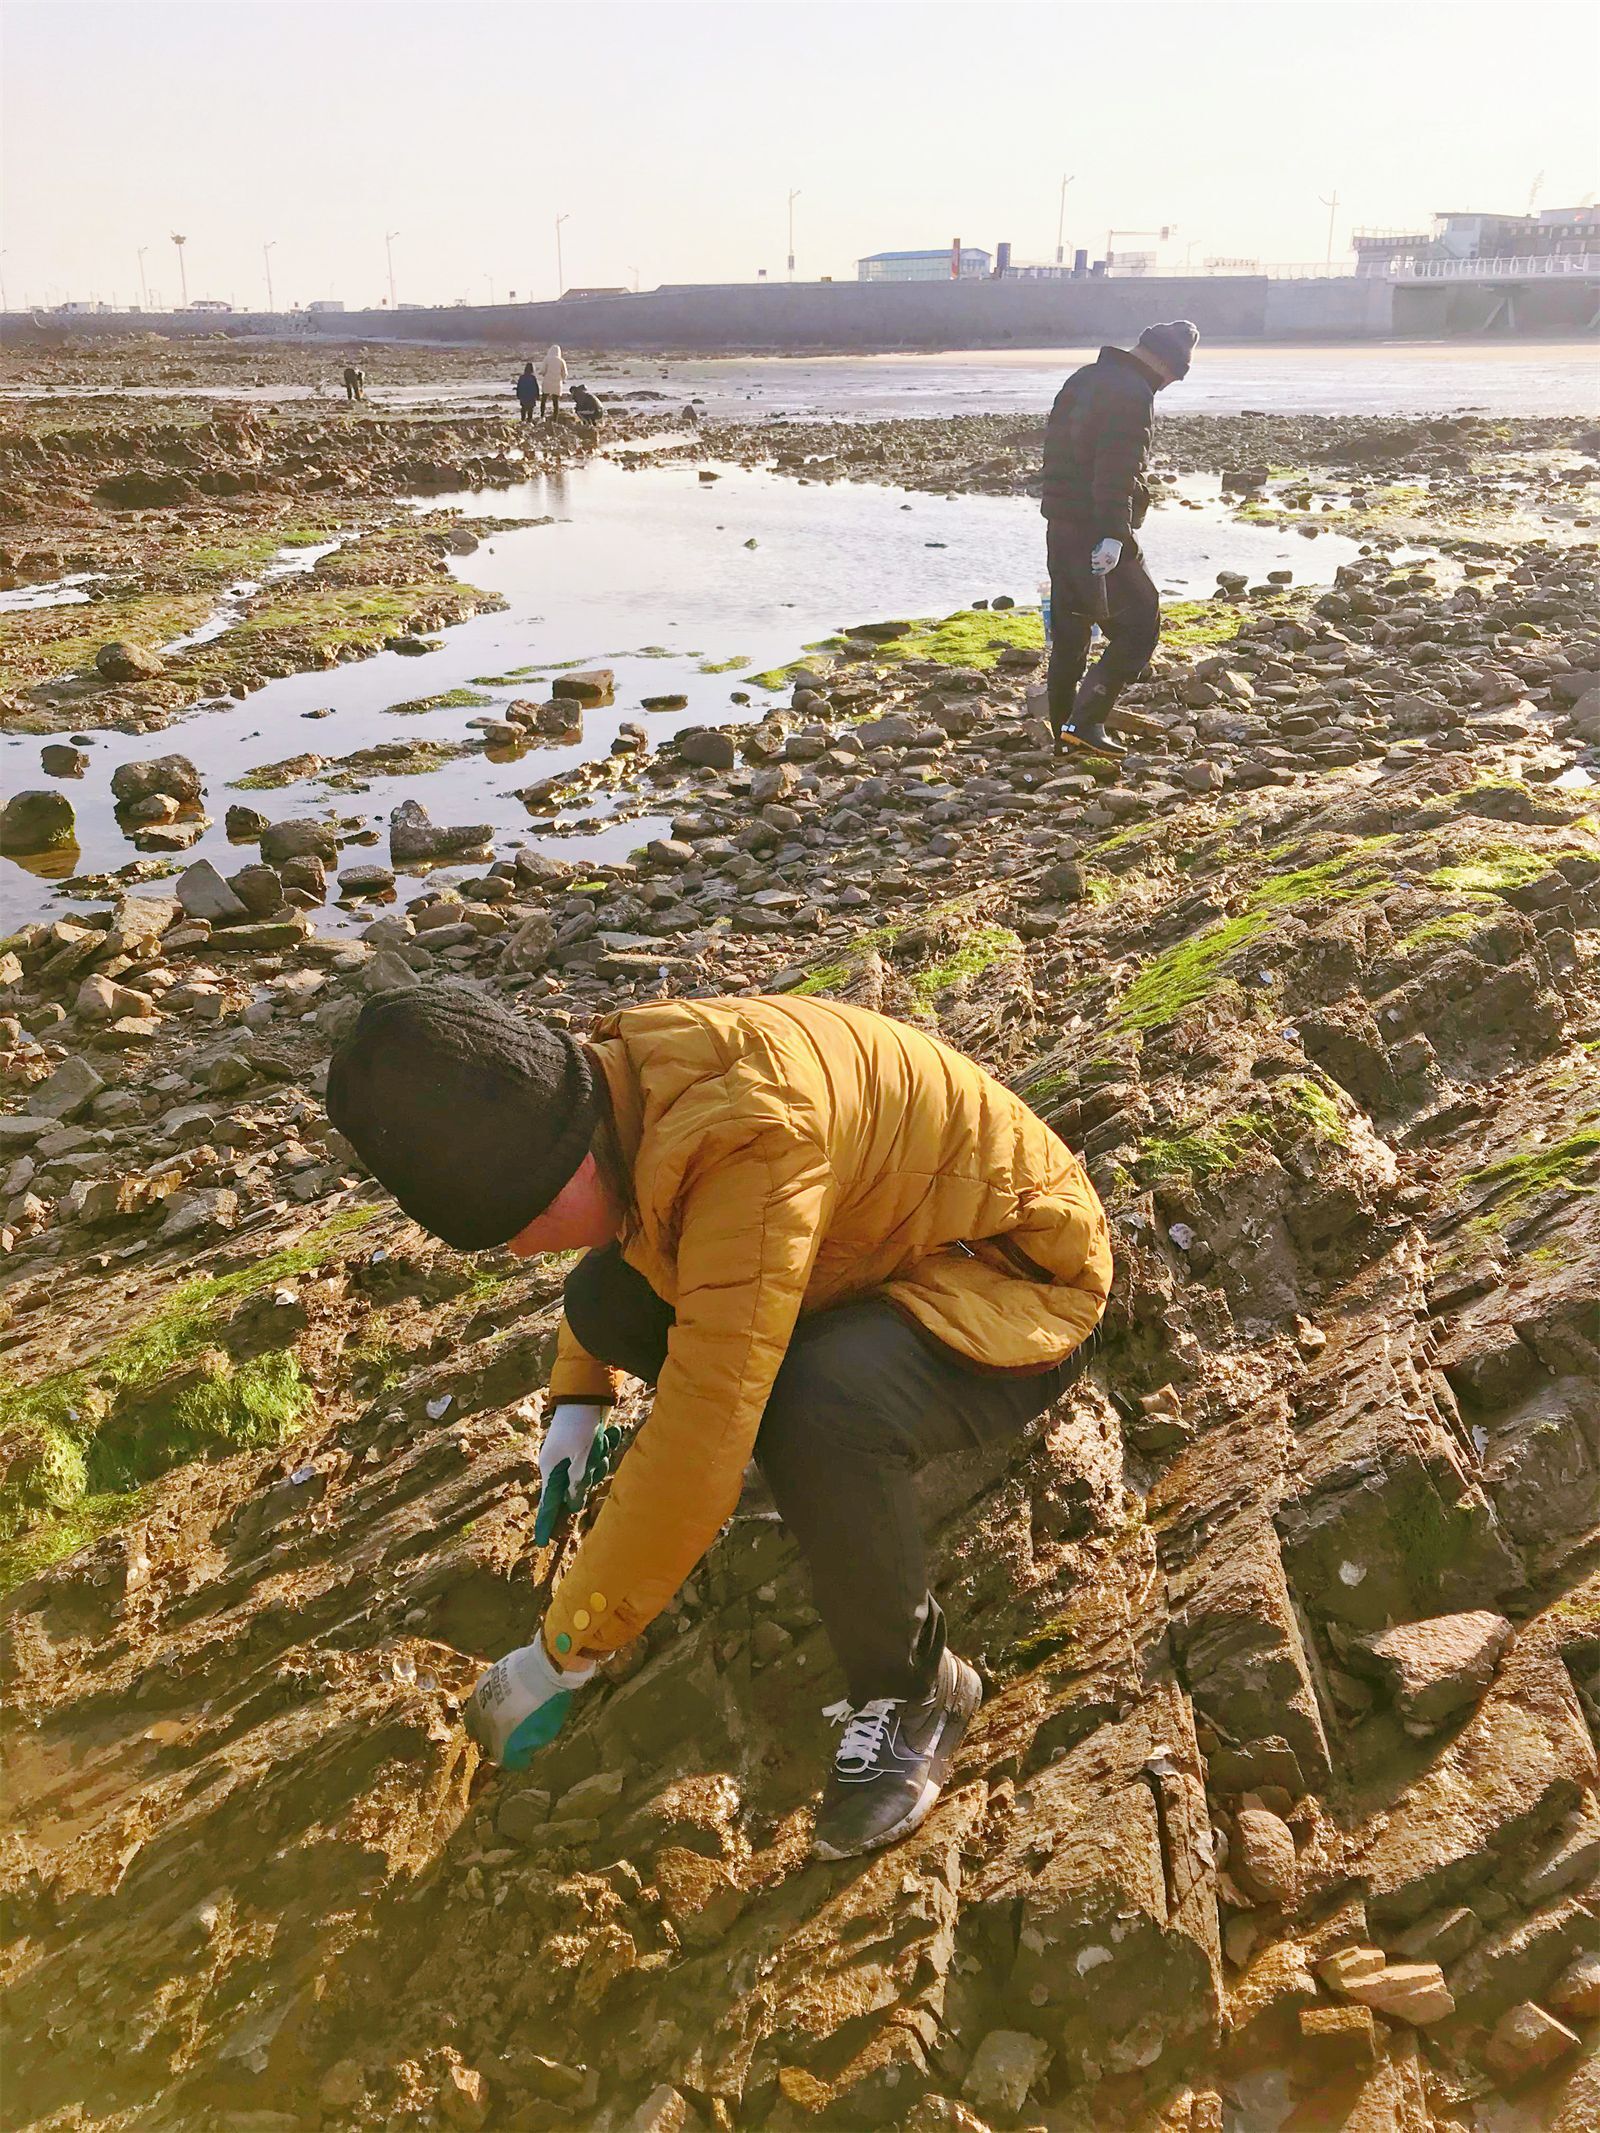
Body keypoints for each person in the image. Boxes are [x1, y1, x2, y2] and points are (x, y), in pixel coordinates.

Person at [326, 981, 1112, 1860]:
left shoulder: (747, 1135)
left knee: (816, 1410)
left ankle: (917, 1688)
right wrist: (577, 1400)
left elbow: (703, 1431)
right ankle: (816, 1476)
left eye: (522, 1222)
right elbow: (615, 1266)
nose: (518, 1250)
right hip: (870, 1248)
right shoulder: (622, 1081)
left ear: (570, 1157)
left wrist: (562, 1652)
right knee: (602, 1298)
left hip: (1015, 1279)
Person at [1041, 319, 1198, 754]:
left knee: (1072, 633)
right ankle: (1085, 723)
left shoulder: (1083, 378)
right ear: (1166, 364)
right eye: (1175, 375)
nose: (1168, 385)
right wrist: (1114, 535)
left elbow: (1059, 454)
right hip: (1097, 528)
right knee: (1140, 625)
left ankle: (1064, 734)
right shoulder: (1133, 393)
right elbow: (1117, 470)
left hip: (1060, 525)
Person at [540, 342, 568, 417]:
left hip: (547, 382)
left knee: (543, 400)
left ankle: (542, 415)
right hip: (557, 383)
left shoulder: (547, 359)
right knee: (555, 402)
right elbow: (565, 374)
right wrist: (561, 379)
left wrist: (544, 375)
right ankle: (555, 418)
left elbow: (543, 371)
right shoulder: (561, 361)